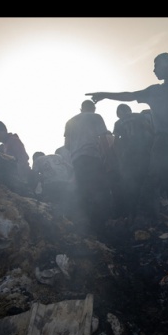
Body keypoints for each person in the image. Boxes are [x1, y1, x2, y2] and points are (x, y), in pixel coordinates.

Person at [86, 52, 168, 227]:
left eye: (156, 66)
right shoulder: (154, 91)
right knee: (165, 178)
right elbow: (130, 95)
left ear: (167, 65)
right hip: (162, 141)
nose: (153, 70)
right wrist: (105, 94)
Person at [63, 99, 112, 235]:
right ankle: (101, 225)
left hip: (77, 160)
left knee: (83, 191)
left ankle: (86, 226)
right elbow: (103, 138)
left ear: (81, 108)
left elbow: (67, 145)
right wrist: (108, 157)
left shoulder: (70, 121)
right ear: (93, 108)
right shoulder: (95, 117)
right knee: (99, 189)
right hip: (92, 157)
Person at [112, 103, 154, 219]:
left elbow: (115, 143)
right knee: (145, 182)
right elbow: (149, 129)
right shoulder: (139, 116)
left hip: (128, 157)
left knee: (131, 185)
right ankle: (148, 213)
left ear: (119, 113)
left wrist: (120, 157)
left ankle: (133, 214)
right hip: (143, 153)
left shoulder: (118, 123)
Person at [30, 151, 75, 216]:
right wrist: (70, 181)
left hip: (51, 185)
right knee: (65, 206)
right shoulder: (57, 156)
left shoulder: (37, 159)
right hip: (65, 183)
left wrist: (32, 190)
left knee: (50, 206)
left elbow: (34, 176)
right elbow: (71, 168)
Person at [0, 120, 32, 184]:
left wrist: (23, 179)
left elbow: (23, 159)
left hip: (23, 177)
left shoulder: (14, 141)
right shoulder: (5, 144)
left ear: (4, 130)